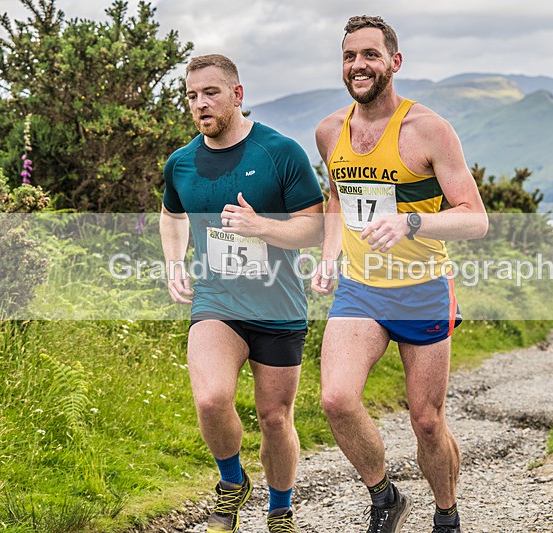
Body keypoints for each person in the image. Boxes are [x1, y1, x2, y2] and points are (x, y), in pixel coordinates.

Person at [311, 16, 488, 533]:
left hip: (422, 288)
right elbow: (336, 199)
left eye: (369, 55)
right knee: (337, 400)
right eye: (349, 56)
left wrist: (411, 221)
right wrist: (329, 254)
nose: (358, 65)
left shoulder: (428, 130)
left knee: (427, 421)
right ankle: (384, 495)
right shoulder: (329, 132)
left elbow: (475, 219)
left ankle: (446, 513)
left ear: (394, 62)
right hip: (361, 290)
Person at [160, 54, 324, 533]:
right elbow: (172, 215)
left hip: (279, 306)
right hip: (217, 303)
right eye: (191, 96)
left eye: (210, 92)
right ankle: (232, 484)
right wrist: (174, 261)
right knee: (211, 398)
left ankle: (280, 510)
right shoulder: (182, 163)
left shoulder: (279, 152)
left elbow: (315, 228)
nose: (199, 104)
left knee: (275, 418)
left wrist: (260, 227)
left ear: (237, 94)